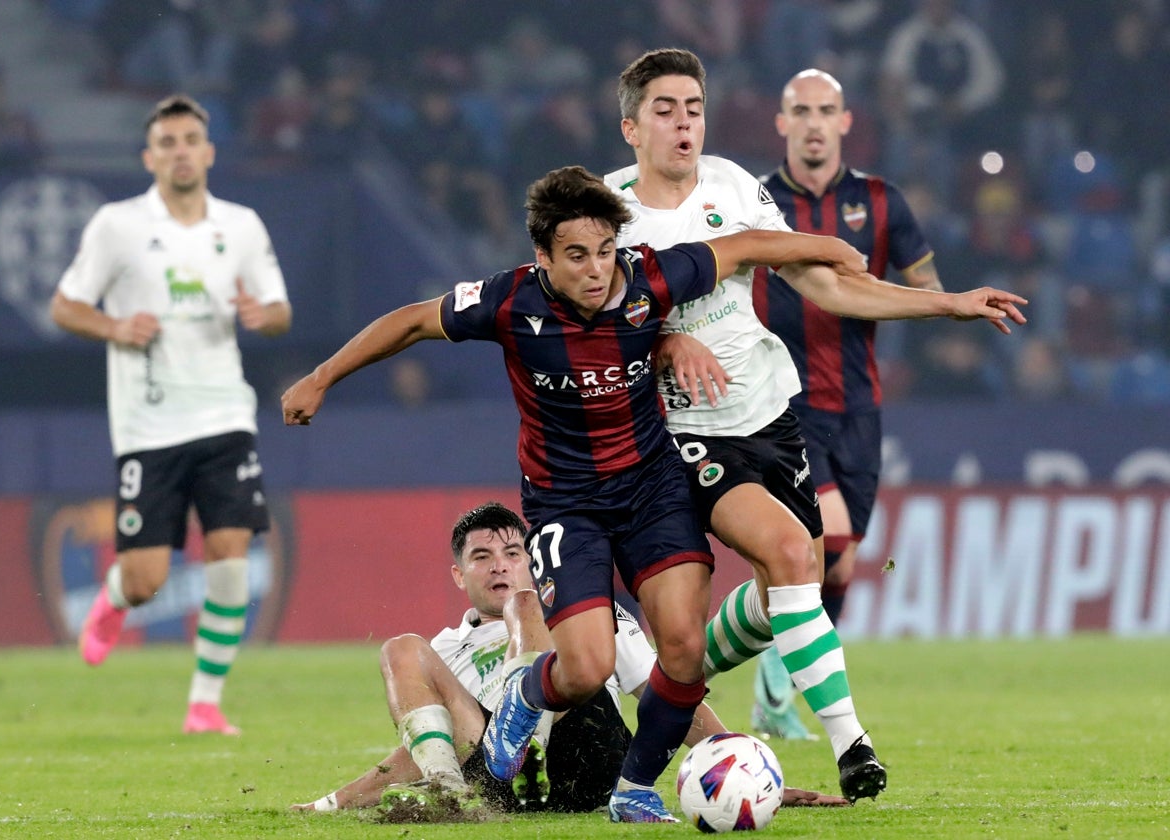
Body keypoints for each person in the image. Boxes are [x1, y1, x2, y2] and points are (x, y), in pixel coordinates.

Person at [281, 163, 897, 821]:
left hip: (653, 488)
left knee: (684, 652)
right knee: (584, 668)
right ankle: (526, 696)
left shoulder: (648, 278)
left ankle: (634, 790)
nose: (597, 269)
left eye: (605, 251)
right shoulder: (510, 300)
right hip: (566, 503)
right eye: (577, 255)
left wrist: (822, 246)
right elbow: (409, 322)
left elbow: (743, 247)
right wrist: (322, 377)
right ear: (543, 256)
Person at [602, 49, 1025, 800]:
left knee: (784, 591)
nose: (684, 123)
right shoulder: (607, 210)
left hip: (771, 412)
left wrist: (947, 302)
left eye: (694, 108)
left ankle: (672, 679)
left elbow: (826, 282)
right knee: (798, 552)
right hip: (685, 430)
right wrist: (662, 338)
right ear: (631, 126)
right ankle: (852, 744)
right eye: (666, 110)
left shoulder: (733, 186)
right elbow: (584, 321)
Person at [290, 502, 849, 817]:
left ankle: (527, 730)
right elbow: (427, 739)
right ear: (459, 576)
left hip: (591, 752)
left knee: (529, 609)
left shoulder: (582, 616)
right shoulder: (446, 649)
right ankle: (451, 795)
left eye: (512, 553)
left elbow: (661, 689)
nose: (499, 567)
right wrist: (331, 802)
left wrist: (735, 765)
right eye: (481, 558)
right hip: (505, 782)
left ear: (533, 560)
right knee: (400, 649)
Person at [50, 93, 291, 736]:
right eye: (168, 142)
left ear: (208, 152)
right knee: (147, 579)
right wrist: (114, 325)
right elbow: (65, 305)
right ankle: (114, 596)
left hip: (224, 415)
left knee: (231, 556)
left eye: (191, 140)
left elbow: (278, 310)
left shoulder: (240, 225)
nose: (180, 151)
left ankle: (204, 703)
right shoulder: (117, 225)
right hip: (147, 425)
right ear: (149, 156)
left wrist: (266, 317)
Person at [748, 66, 949, 739]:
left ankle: (776, 682)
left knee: (842, 560)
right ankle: (778, 687)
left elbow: (924, 282)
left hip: (860, 404)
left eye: (824, 109)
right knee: (823, 536)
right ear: (781, 123)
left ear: (844, 121)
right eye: (798, 110)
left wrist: (945, 306)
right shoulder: (754, 203)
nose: (811, 122)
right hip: (785, 401)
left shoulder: (882, 203)